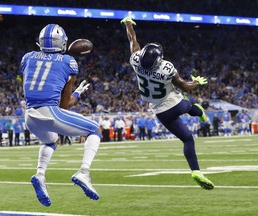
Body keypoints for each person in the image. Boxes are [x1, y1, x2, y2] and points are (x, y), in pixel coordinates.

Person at [121, 17, 214, 190]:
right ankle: (200, 113)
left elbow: (132, 40)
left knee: (187, 139)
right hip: (175, 103)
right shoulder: (166, 68)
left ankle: (196, 171)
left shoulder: (135, 61)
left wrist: (128, 24)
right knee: (190, 107)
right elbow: (185, 86)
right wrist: (197, 83)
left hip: (160, 111)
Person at [20, 24, 102, 207]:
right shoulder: (68, 62)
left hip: (30, 115)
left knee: (51, 141)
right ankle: (83, 171)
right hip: (49, 112)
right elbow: (64, 107)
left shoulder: (27, 58)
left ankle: (40, 174)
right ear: (62, 43)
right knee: (95, 129)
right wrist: (77, 94)